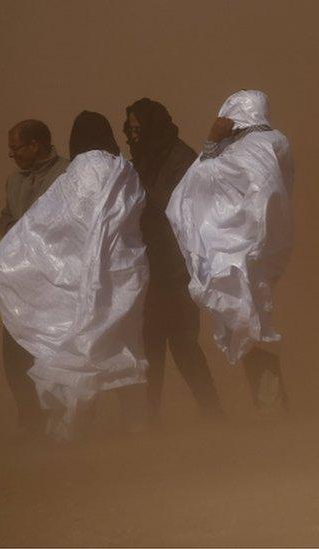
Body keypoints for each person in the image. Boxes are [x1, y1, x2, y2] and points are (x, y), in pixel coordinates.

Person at [0, 111, 150, 441]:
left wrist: (18, 249)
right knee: (122, 345)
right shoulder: (125, 169)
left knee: (76, 351)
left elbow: (60, 222)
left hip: (80, 278)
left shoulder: (76, 172)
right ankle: (137, 424)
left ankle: (73, 428)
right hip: (123, 275)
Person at [166, 90, 294, 417]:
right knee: (252, 321)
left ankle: (271, 405)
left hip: (242, 251)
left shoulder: (255, 147)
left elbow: (198, 183)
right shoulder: (273, 141)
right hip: (255, 248)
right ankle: (270, 402)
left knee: (253, 321)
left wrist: (211, 142)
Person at [123, 98, 224, 421]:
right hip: (149, 266)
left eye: (138, 128)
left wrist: (138, 198)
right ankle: (150, 418)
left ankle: (213, 413)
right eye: (130, 129)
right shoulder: (139, 161)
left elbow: (182, 207)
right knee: (150, 345)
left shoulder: (181, 159)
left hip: (178, 267)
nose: (132, 136)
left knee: (183, 344)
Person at [0, 119, 69, 438]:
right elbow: (6, 217)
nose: (11, 155)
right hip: (20, 282)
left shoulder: (67, 175)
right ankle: (28, 416)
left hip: (55, 282)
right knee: (14, 353)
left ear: (35, 145)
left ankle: (59, 417)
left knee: (52, 354)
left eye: (15, 148)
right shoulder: (14, 181)